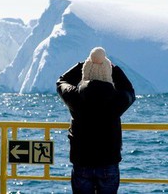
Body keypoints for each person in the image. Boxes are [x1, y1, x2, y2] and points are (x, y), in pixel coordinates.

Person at [56, 47, 135, 194]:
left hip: (82, 161)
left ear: (85, 71)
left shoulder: (75, 96)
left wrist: (82, 65)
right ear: (108, 73)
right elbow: (129, 90)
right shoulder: (117, 98)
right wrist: (114, 69)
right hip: (108, 162)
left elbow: (62, 81)